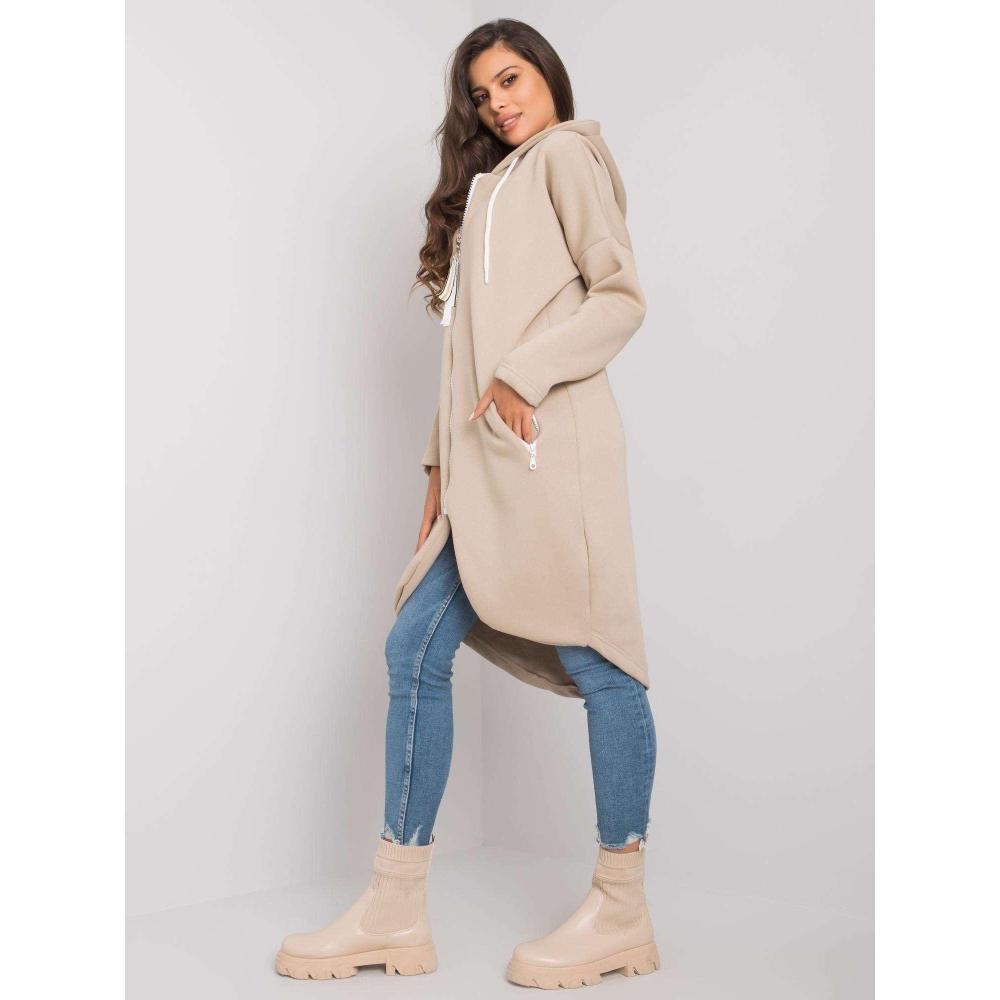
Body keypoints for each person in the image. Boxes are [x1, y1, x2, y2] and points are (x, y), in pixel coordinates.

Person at [275, 18, 659, 990]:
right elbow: (460, 361)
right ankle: (394, 906)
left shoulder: (567, 157)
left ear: (547, 75)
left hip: (555, 453)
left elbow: (619, 295)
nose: (499, 104)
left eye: (511, 79)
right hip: (482, 466)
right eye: (483, 95)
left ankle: (621, 908)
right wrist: (435, 478)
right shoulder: (490, 190)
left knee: (601, 658)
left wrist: (526, 374)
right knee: (414, 647)